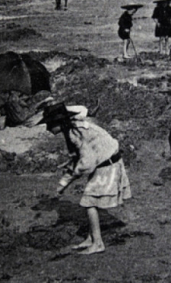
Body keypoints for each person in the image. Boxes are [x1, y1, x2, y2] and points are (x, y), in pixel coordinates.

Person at [38, 103, 130, 254]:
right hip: (106, 160)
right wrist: (69, 169)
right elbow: (78, 155)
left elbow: (87, 163)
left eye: (49, 124)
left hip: (108, 164)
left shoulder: (77, 132)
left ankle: (98, 243)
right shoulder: (73, 129)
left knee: (89, 202)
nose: (47, 128)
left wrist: (66, 180)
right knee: (91, 201)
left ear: (59, 122)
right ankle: (91, 237)